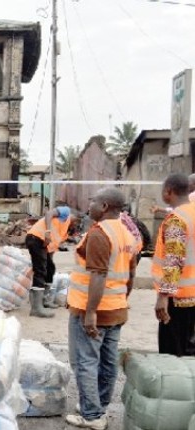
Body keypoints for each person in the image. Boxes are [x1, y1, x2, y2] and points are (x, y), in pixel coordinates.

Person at [65, 188, 136, 430]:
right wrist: (122, 300)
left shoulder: (98, 233)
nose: (89, 204)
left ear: (104, 206)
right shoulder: (127, 234)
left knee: (85, 361)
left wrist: (91, 312)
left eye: (93, 200)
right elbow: (131, 273)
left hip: (93, 310)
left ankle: (92, 415)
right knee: (107, 362)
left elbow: (98, 274)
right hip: (116, 309)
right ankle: (98, 405)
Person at [152, 173, 195, 357]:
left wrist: (163, 297)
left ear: (168, 192)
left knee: (174, 356)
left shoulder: (177, 219)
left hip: (178, 300)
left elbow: (173, 260)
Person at [25, 205, 74, 317]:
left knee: (50, 269)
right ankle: (36, 308)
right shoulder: (66, 211)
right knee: (40, 271)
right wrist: (47, 231)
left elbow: (51, 248)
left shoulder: (65, 231)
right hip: (36, 238)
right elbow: (49, 214)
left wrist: (48, 264)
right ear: (76, 220)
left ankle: (44, 300)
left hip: (42, 243)